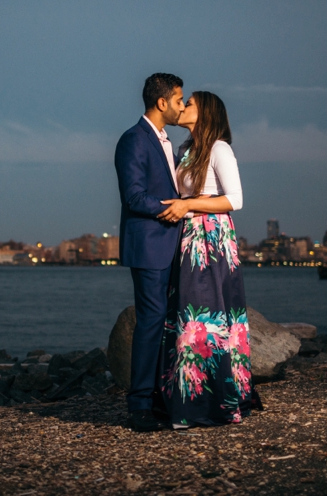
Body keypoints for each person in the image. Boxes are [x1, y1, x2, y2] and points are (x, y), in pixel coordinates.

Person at [156, 90, 261, 427]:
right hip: (188, 236)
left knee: (207, 315)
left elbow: (235, 199)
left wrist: (188, 205)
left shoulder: (219, 148)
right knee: (189, 313)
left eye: (189, 104)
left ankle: (213, 402)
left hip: (211, 238)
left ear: (206, 113)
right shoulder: (186, 150)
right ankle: (189, 398)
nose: (183, 107)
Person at [114, 73, 185, 432]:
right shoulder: (133, 139)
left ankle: (159, 397)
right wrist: (172, 209)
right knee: (151, 321)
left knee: (164, 322)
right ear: (162, 102)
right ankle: (140, 404)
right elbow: (134, 196)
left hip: (169, 244)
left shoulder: (167, 143)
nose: (181, 106)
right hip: (148, 245)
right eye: (178, 100)